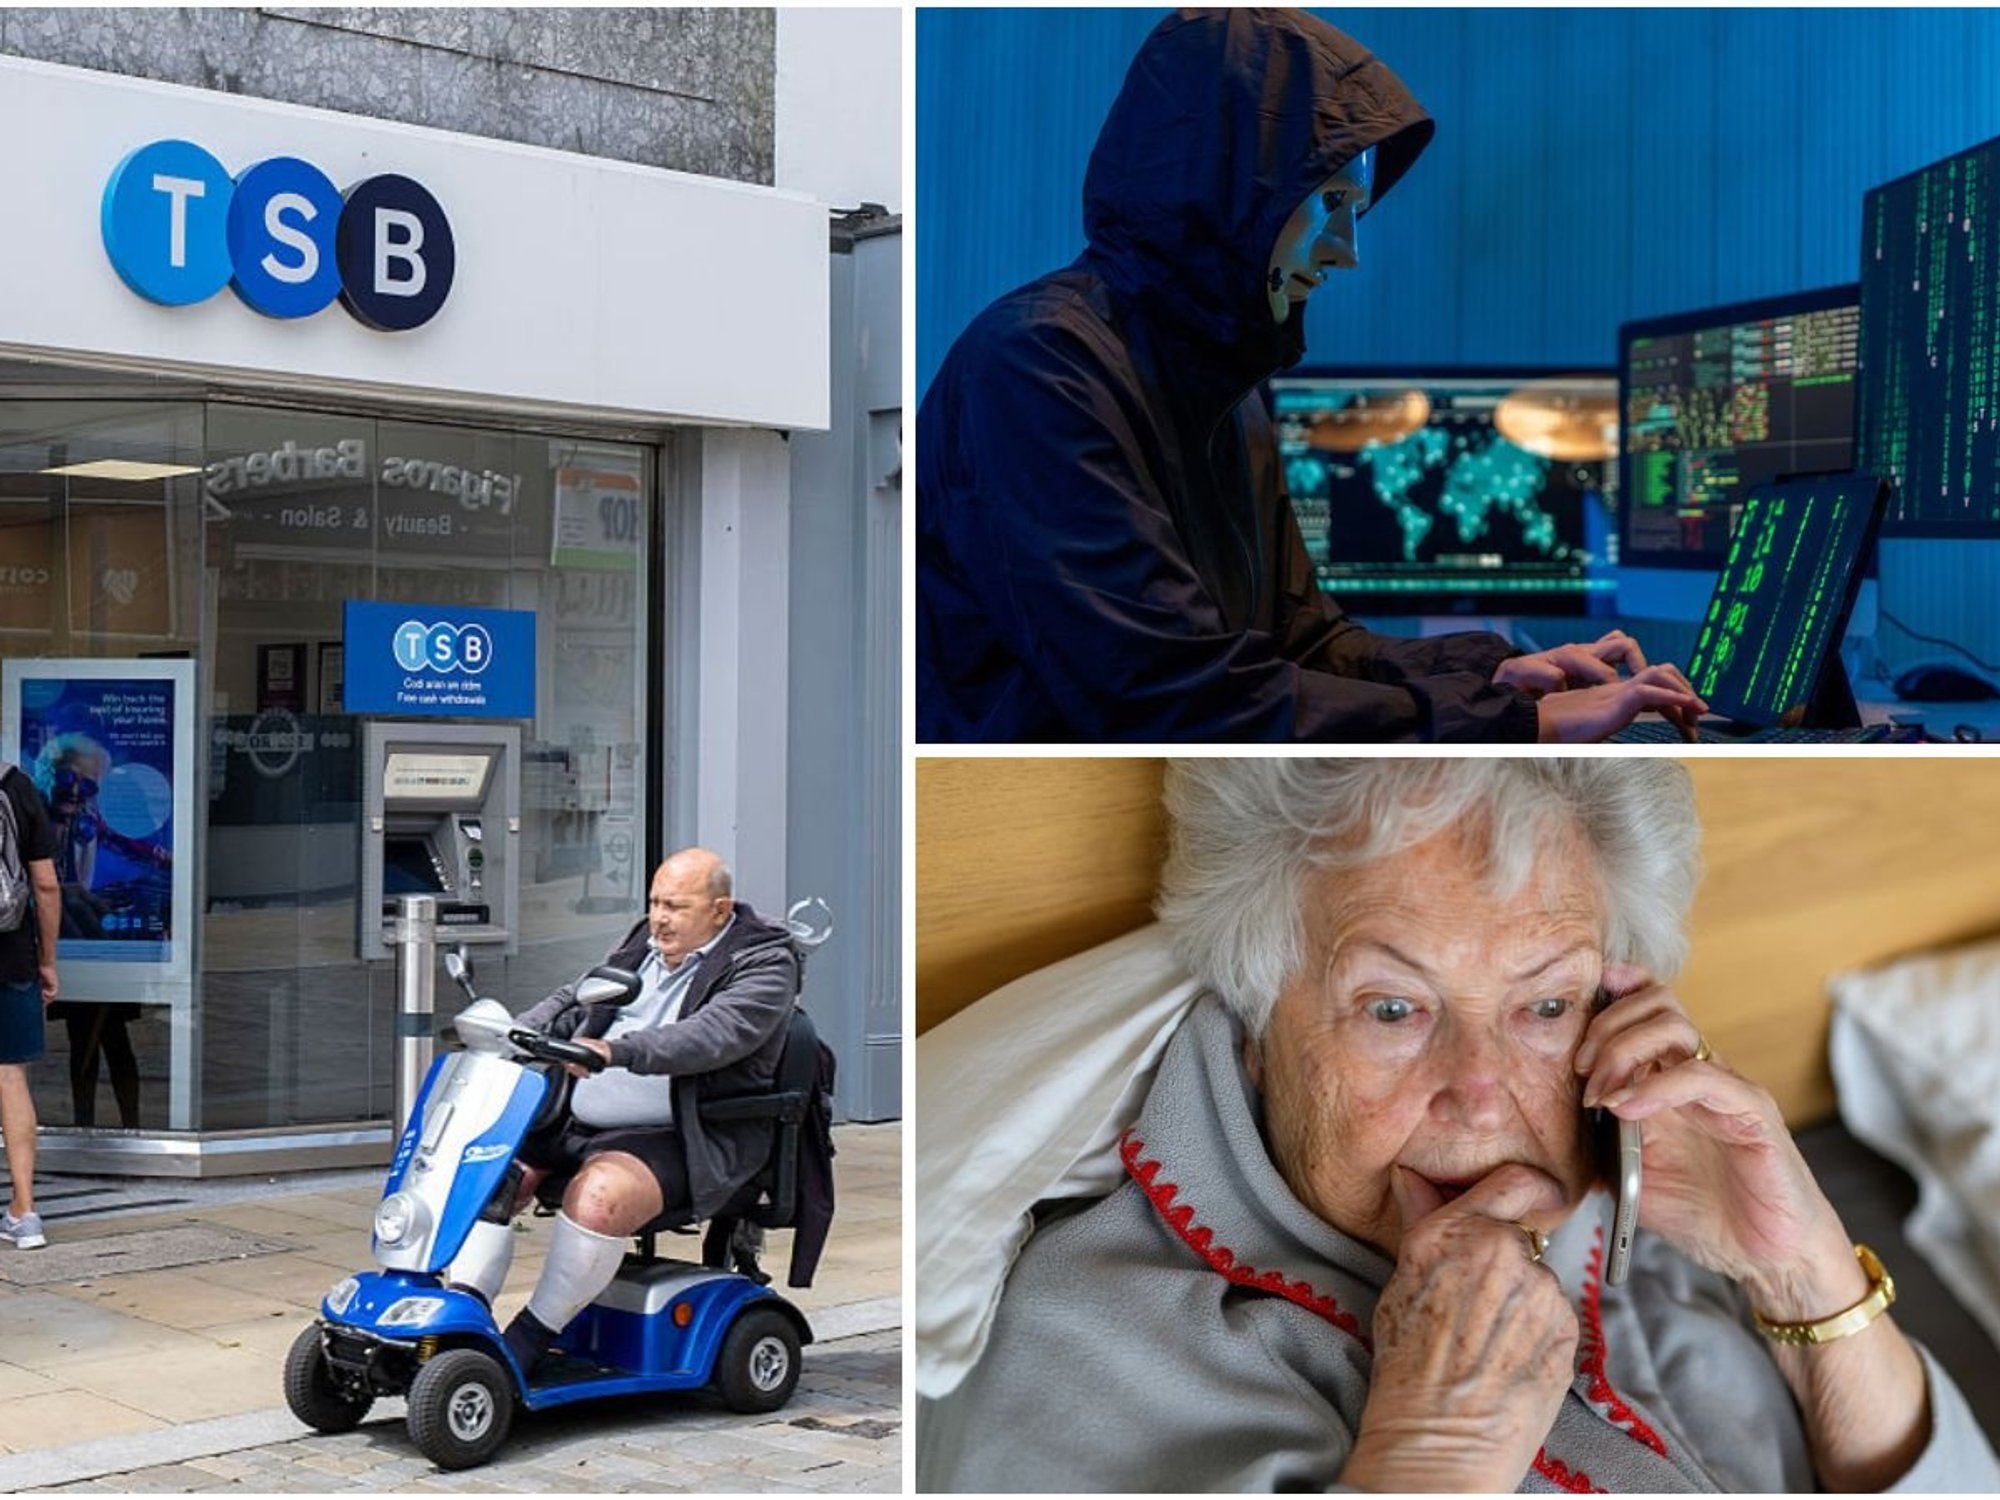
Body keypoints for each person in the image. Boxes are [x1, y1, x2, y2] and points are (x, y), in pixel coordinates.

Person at [917, 761, 2000, 1491]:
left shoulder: (1641, 1199)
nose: (1480, 1096)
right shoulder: (1087, 1355)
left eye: (1542, 1006)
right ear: (1253, 1021)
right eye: (1393, 1009)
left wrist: (1805, 1283)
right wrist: (1430, 1454)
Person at [916, 10, 1705, 743]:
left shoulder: (1225, 390)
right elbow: (1166, 693)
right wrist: (1510, 725)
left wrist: (1493, 676)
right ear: (1227, 190)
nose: (1344, 251)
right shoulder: (1041, 368)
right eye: (1329, 204)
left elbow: (1306, 643)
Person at [443, 847, 801, 1375]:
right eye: (655, 902)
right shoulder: (644, 944)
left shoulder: (766, 963)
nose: (659, 917)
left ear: (720, 911)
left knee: (599, 1199)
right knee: (487, 1173)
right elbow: (576, 998)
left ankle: (527, 1342)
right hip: (579, 1121)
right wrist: (511, 1035)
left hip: (685, 1134)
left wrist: (620, 1050)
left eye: (675, 906)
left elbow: (712, 1036)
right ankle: (464, 1324)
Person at [0, 757, 61, 1250]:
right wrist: (48, 959)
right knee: (9, 1073)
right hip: (11, 956)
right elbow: (45, 884)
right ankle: (25, 1211)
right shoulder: (17, 787)